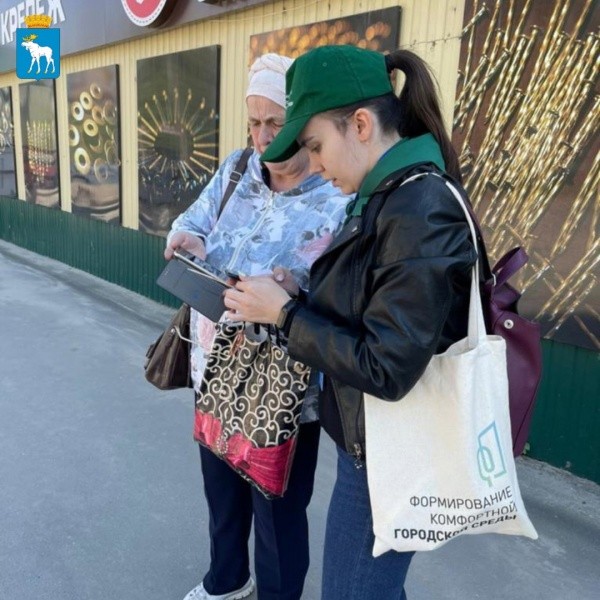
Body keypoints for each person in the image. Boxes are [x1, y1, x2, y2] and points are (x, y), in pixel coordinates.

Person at [222, 45, 478, 600]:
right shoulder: (384, 194)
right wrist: (299, 294)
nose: (314, 165)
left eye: (316, 146)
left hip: (389, 454)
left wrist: (284, 315)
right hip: (371, 444)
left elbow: (387, 366)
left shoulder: (417, 207)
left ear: (360, 124)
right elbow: (372, 304)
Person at [164, 54, 349, 600]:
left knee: (277, 509)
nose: (264, 137)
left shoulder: (337, 190)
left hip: (282, 385)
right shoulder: (237, 168)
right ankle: (227, 580)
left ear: (304, 123)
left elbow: (342, 288)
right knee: (220, 489)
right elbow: (194, 219)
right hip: (213, 366)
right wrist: (187, 238)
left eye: (276, 123)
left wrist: (292, 287)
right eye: (254, 122)